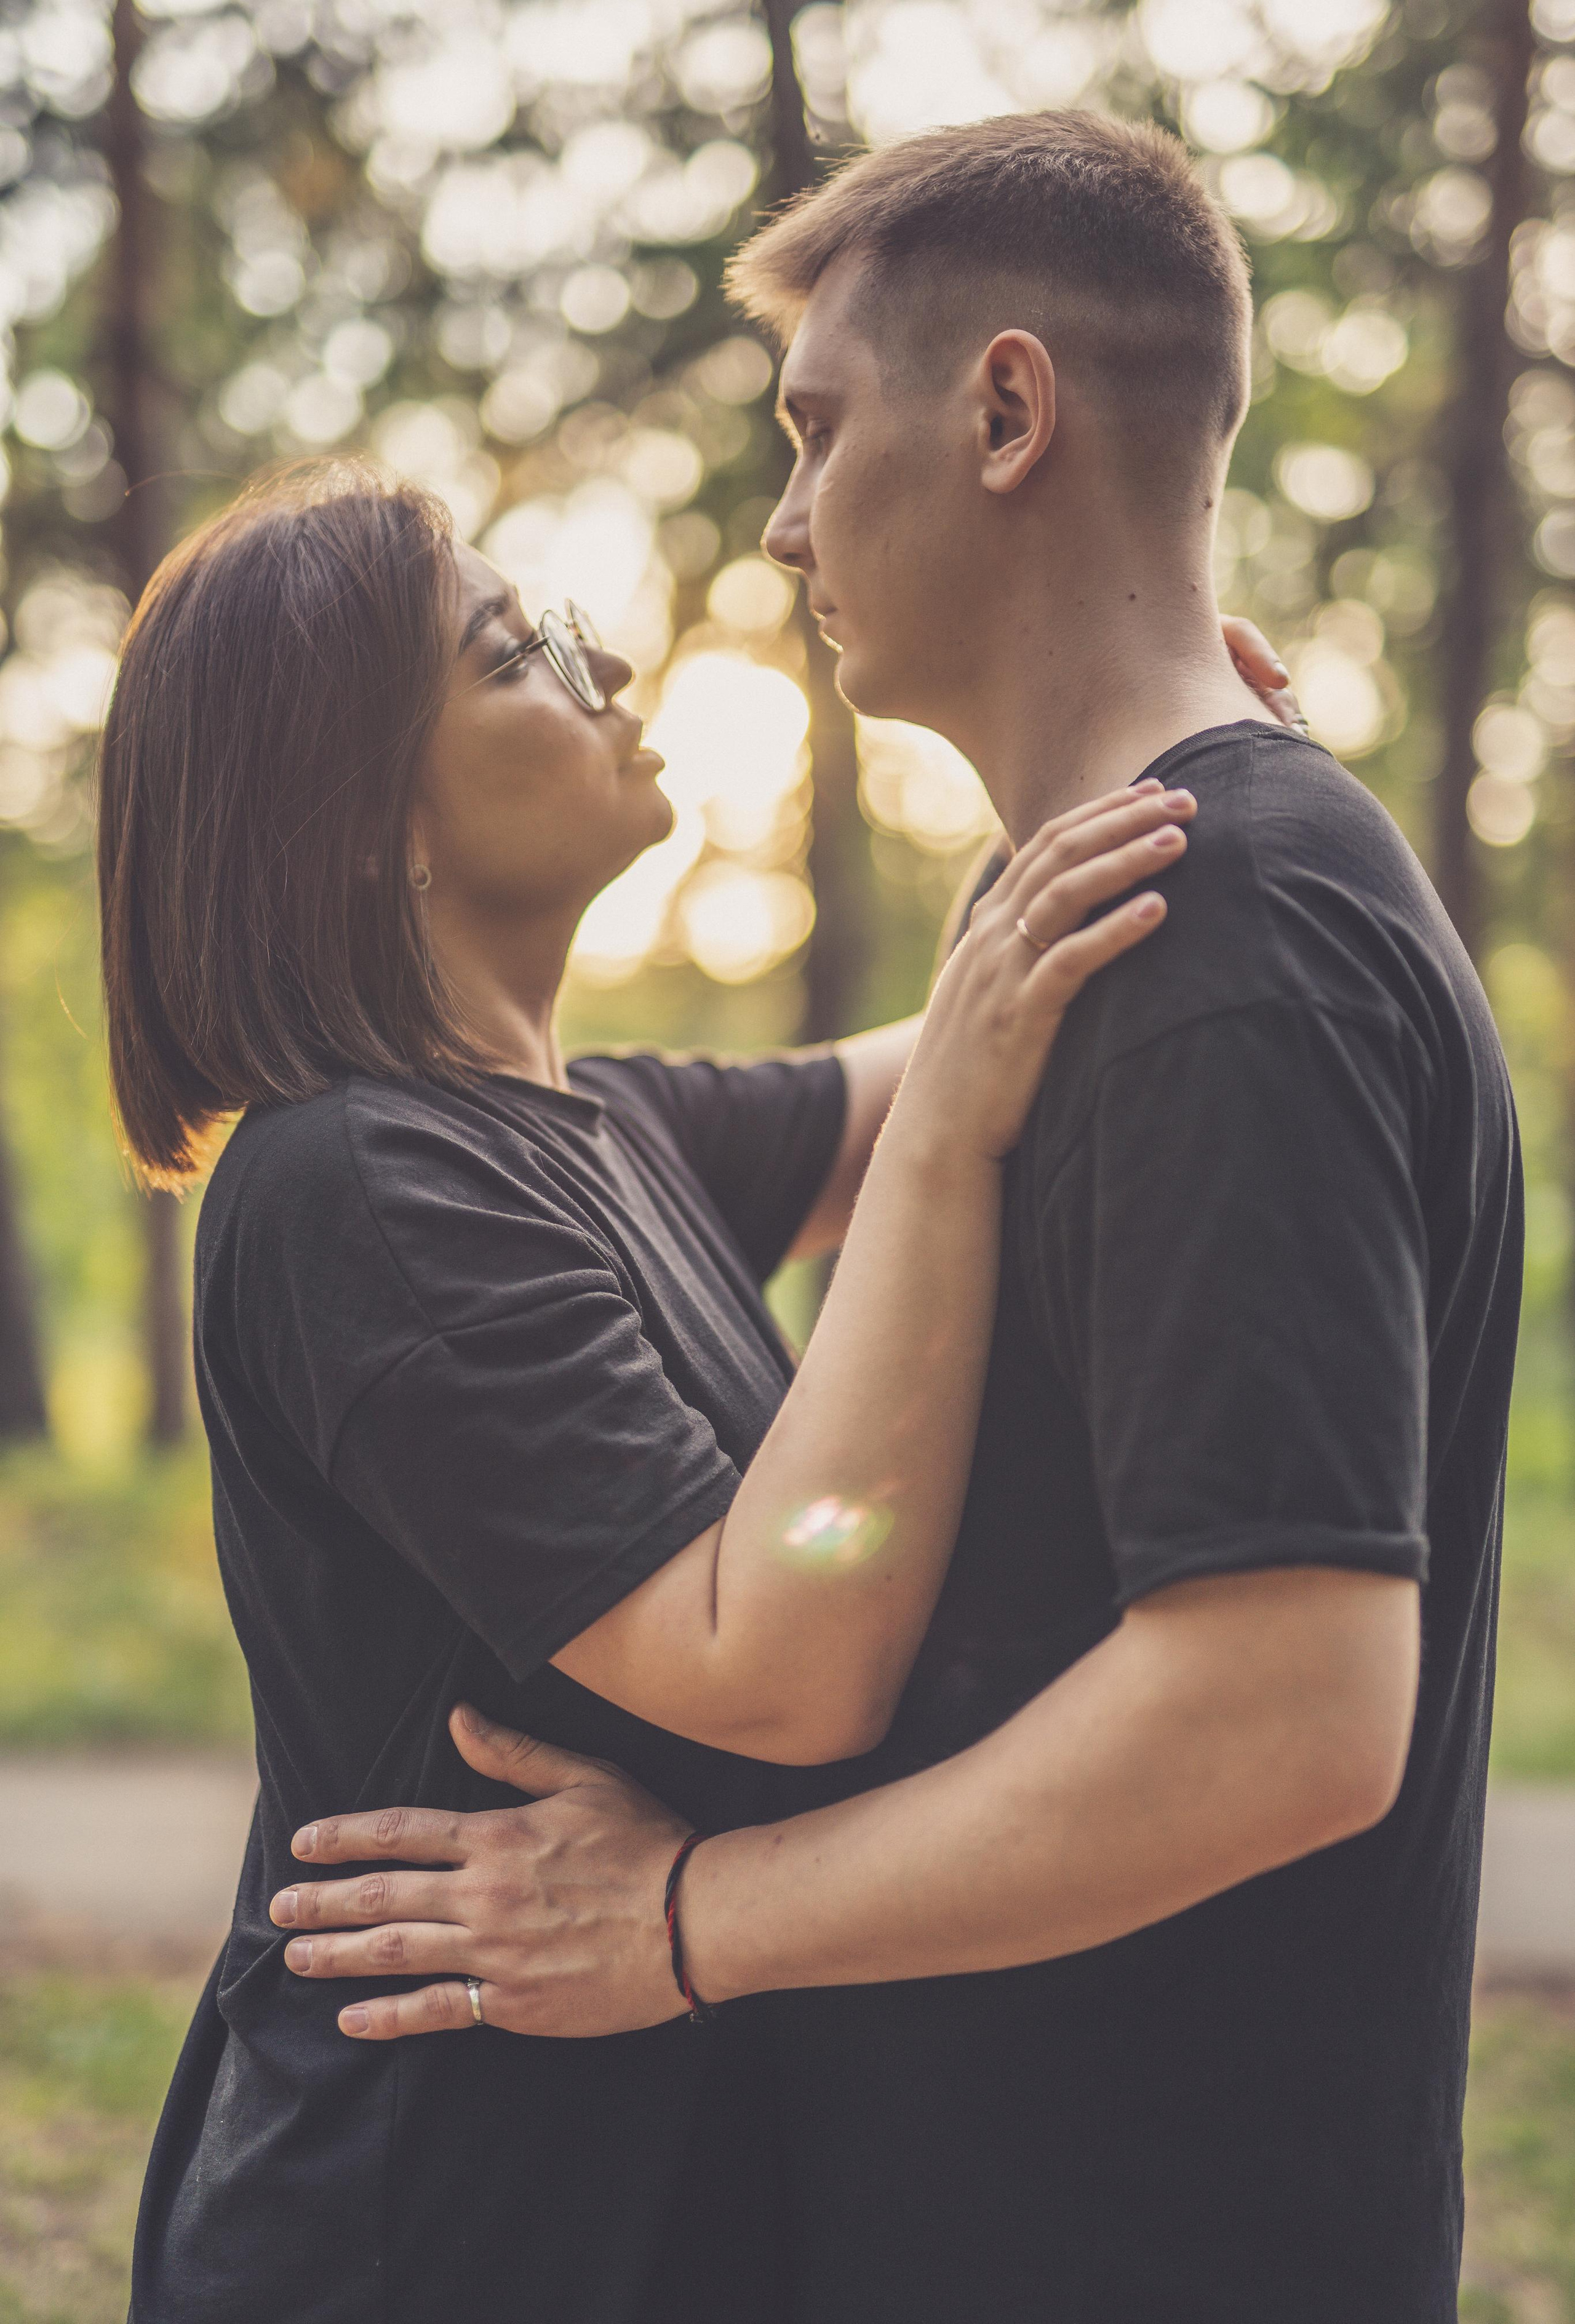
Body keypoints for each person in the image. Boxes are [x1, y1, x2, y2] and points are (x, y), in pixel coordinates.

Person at [277, 113, 1522, 2324]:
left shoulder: (1219, 931)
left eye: (819, 428)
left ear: (1010, 412)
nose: (780, 519)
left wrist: (683, 1922)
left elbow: (1289, 1711)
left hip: (1140, 2244)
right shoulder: (1128, 911)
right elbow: (907, 1105)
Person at [103, 450, 1280, 2321]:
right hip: (426, 2239)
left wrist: (1161, 744)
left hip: (632, 2208)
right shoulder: (358, 1189)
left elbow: (1005, 998)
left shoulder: (597, 1127)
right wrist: (951, 1139)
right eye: (518, 655)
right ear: (362, 825)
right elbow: (783, 1666)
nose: (609, 671)